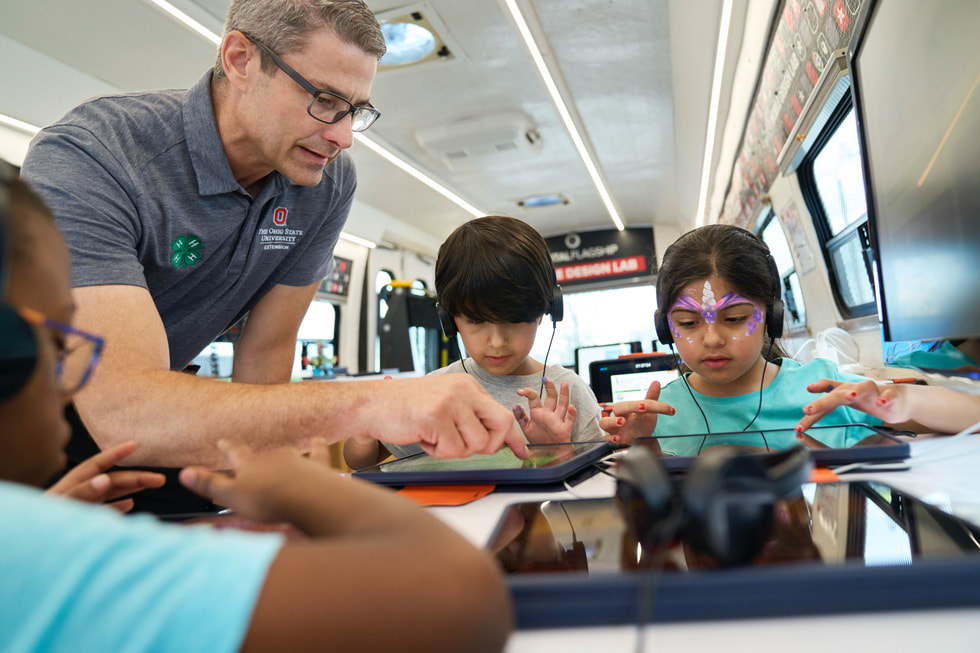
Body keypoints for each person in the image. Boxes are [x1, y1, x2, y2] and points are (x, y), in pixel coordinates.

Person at [19, 0, 526, 513]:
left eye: (355, 110)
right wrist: (373, 403)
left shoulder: (327, 183)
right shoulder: (94, 153)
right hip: (35, 428)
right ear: (241, 60)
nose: (343, 136)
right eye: (324, 100)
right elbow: (126, 408)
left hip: (168, 414)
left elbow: (266, 354)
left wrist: (268, 503)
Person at [0, 165, 513, 653]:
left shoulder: (35, 547)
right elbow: (462, 597)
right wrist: (296, 485)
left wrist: (52, 528)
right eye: (59, 342)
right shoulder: (32, 555)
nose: (74, 385)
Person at [344, 216, 603, 469]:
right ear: (449, 320)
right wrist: (365, 428)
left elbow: (598, 476)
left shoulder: (569, 392)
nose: (497, 342)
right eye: (476, 321)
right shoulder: (436, 391)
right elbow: (360, 460)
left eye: (513, 320)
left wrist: (559, 453)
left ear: (544, 312)